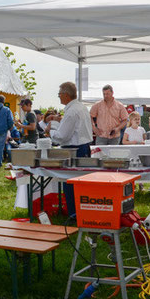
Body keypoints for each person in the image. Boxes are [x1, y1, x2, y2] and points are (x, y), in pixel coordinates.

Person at [47, 82, 93, 218]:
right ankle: (82, 212)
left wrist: (50, 131)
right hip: (83, 147)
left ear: (66, 95)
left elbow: (62, 136)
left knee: (71, 183)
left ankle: (74, 214)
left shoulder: (72, 111)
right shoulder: (81, 107)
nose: (59, 97)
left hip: (74, 150)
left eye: (59, 94)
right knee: (81, 184)